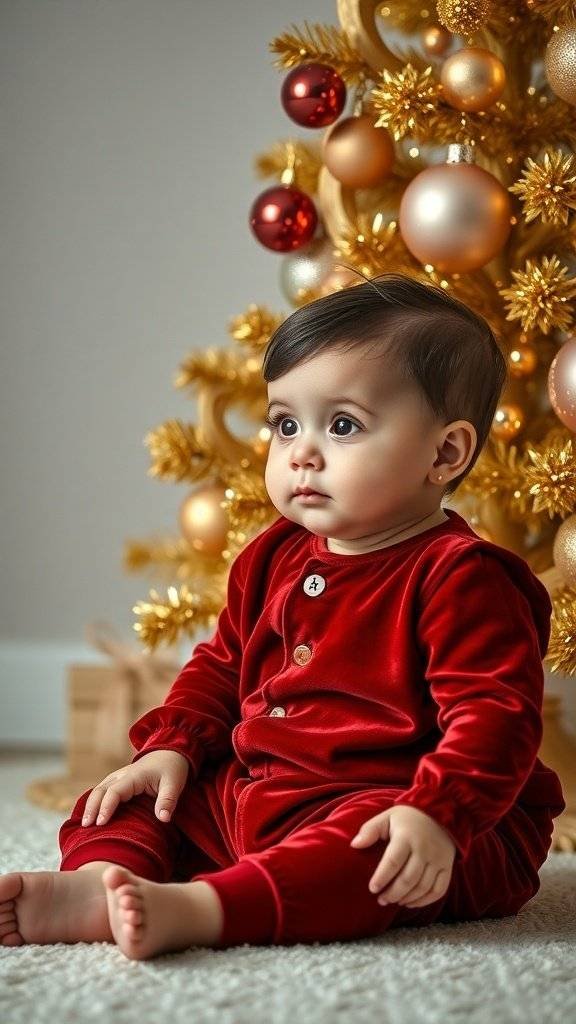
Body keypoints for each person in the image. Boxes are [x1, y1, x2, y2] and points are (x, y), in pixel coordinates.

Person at [0, 272, 565, 961]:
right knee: (133, 795)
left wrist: (438, 813)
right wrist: (172, 747)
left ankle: (204, 909)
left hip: (423, 816)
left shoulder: (462, 576)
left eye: (343, 425)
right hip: (263, 794)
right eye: (285, 423)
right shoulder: (272, 555)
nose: (300, 452)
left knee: (367, 853)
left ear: (444, 453)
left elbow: (495, 718)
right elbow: (221, 665)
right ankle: (99, 882)